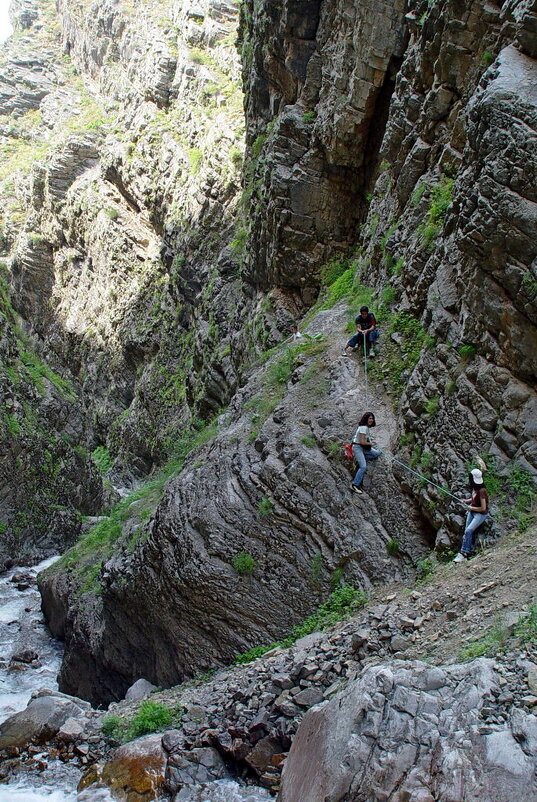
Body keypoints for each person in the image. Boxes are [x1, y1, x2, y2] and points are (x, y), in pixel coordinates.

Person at [453, 468, 489, 562]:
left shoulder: (482, 491)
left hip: (480, 514)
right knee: (466, 532)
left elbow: (483, 508)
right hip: (472, 512)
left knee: (469, 530)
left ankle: (464, 554)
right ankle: (463, 552)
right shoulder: (475, 488)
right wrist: (466, 501)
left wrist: (471, 508)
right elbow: (473, 499)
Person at [350, 412, 381, 494]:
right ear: (366, 419)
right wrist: (371, 444)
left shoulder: (365, 427)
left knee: (376, 453)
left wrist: (370, 443)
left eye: (372, 418)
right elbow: (362, 442)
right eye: (370, 418)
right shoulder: (363, 427)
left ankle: (360, 460)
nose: (371, 420)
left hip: (362, 447)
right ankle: (355, 485)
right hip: (358, 448)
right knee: (363, 467)